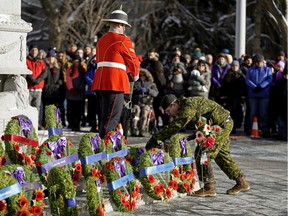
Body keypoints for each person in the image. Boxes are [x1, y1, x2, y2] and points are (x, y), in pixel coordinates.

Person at [146, 94, 250, 196]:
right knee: (221, 155)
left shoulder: (187, 105)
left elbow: (177, 125)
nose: (168, 114)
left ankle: (209, 187)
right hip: (221, 124)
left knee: (202, 151)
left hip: (221, 125)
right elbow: (199, 124)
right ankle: (242, 182)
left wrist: (156, 137)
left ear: (173, 105)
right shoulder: (184, 106)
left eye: (168, 111)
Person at [91, 7, 140, 138]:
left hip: (101, 82)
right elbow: (133, 62)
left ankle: (104, 145)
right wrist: (135, 76)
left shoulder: (101, 40)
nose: (125, 29)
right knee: (111, 120)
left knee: (105, 118)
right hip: (114, 83)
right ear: (119, 24)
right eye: (124, 26)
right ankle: (106, 148)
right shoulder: (122, 40)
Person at [246, 54, 273, 138]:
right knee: (253, 113)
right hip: (253, 95)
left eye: (260, 62)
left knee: (263, 113)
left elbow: (269, 79)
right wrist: (254, 87)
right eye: (257, 62)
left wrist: (261, 86)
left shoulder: (267, 69)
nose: (259, 64)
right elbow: (247, 79)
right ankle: (252, 129)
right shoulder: (250, 70)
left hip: (264, 94)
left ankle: (265, 129)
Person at [131, 68, 159, 137]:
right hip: (137, 102)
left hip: (147, 103)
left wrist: (148, 90)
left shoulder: (151, 84)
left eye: (144, 75)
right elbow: (131, 91)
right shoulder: (135, 83)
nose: (142, 77)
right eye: (140, 75)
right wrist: (137, 91)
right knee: (137, 111)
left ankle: (142, 129)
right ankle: (134, 128)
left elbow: (156, 93)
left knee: (145, 112)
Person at [26, 44, 47, 129]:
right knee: (27, 106)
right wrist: (32, 80)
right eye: (33, 50)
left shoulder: (41, 61)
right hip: (29, 88)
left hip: (38, 89)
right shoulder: (26, 60)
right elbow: (26, 70)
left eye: (36, 50)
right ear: (30, 51)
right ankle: (27, 124)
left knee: (37, 107)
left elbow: (44, 73)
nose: (34, 52)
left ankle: (35, 123)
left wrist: (37, 81)